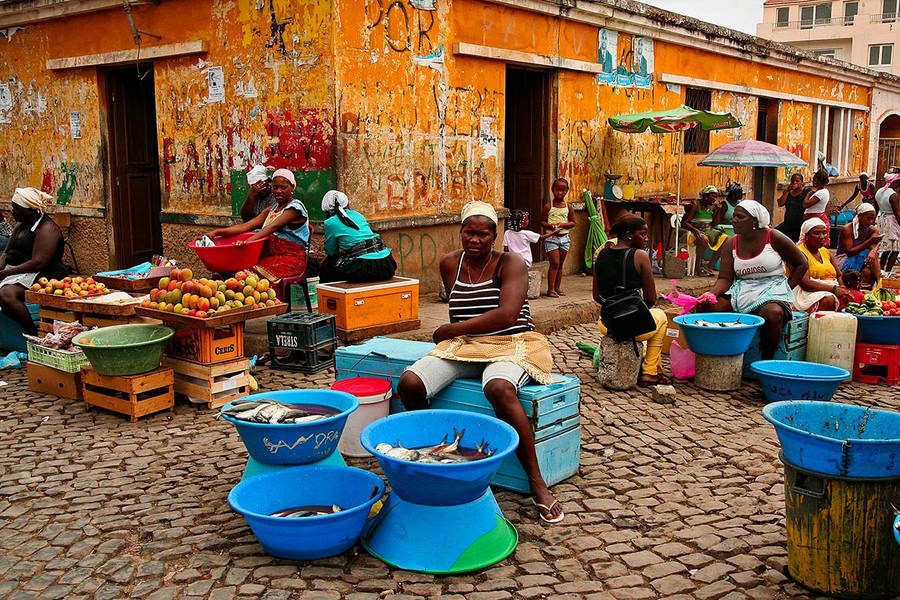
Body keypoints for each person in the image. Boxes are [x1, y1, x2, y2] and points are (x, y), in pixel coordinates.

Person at [397, 201, 563, 524]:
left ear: (494, 236)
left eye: (483, 234)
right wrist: (455, 336)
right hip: (468, 345)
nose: (475, 240)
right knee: (410, 383)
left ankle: (536, 482)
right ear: (460, 233)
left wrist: (449, 331)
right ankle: (435, 452)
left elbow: (507, 315)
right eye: (469, 233)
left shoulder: (511, 263)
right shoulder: (449, 264)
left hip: (512, 341)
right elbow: (461, 310)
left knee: (499, 388)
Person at [699, 200, 808, 360]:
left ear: (755, 221)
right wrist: (711, 293)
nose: (734, 220)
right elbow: (724, 278)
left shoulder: (773, 237)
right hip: (742, 289)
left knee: (773, 314)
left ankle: (765, 361)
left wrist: (786, 288)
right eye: (734, 216)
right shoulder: (731, 243)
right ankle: (718, 357)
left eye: (740, 217)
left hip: (773, 289)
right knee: (709, 309)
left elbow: (801, 263)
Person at [593, 215, 669, 385]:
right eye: (642, 234)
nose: (646, 239)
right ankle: (649, 371)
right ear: (629, 235)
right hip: (633, 327)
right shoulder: (640, 256)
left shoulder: (601, 254)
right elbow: (650, 299)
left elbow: (596, 296)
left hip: (606, 325)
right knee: (661, 317)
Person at [207, 168, 309, 281]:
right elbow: (245, 226)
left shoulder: (295, 208)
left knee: (249, 276)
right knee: (232, 271)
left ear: (292, 187)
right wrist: (216, 232)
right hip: (270, 256)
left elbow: (272, 227)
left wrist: (248, 241)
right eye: (275, 187)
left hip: (291, 259)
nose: (278, 191)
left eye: (283, 187)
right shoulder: (272, 209)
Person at [0, 188, 67, 335]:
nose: (13, 212)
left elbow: (38, 263)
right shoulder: (20, 225)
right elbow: (7, 253)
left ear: (31, 210)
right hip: (18, 271)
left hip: (42, 273)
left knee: (6, 294)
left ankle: (33, 332)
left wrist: (5, 273)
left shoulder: (47, 229)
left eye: (16, 209)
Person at [319, 190, 396, 283]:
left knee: (327, 266)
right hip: (386, 264)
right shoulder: (358, 215)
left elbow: (331, 251)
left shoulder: (329, 223)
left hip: (363, 268)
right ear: (346, 203)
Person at [791, 218, 850, 312]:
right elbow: (806, 284)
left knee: (856, 297)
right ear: (806, 236)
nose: (822, 237)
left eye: (824, 233)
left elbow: (838, 275)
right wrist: (834, 289)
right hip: (806, 292)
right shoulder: (799, 253)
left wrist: (843, 289)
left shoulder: (825, 252)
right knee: (828, 300)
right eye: (817, 233)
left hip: (830, 288)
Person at [541, 178, 575, 297]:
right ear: (552, 190)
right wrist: (550, 226)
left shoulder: (568, 206)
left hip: (564, 239)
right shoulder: (548, 206)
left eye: (563, 190)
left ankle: (557, 287)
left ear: (567, 191)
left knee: (560, 264)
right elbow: (542, 221)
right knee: (554, 263)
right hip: (552, 239)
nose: (559, 193)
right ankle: (550, 289)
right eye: (557, 190)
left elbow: (573, 223)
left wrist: (563, 225)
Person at [683, 185, 727, 276]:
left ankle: (709, 266)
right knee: (703, 239)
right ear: (706, 196)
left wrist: (718, 211)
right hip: (694, 231)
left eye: (716, 196)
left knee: (727, 240)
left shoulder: (712, 207)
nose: (715, 199)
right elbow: (684, 222)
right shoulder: (695, 205)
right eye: (713, 196)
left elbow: (714, 223)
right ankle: (698, 267)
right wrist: (695, 231)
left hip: (707, 230)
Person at [835, 203, 882, 285]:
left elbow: (874, 243)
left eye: (872, 219)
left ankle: (878, 283)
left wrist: (873, 251)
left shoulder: (871, 230)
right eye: (868, 218)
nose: (871, 222)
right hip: (844, 259)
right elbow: (849, 252)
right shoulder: (847, 229)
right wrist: (870, 241)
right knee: (867, 252)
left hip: (861, 259)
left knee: (867, 272)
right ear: (860, 216)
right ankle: (879, 282)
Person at [875, 173, 900, 273]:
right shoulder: (893, 195)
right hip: (892, 222)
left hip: (882, 219)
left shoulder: (879, 191)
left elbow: (876, 208)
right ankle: (888, 270)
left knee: (886, 247)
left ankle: (881, 269)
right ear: (895, 181)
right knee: (896, 248)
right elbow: (897, 214)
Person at [775, 173, 808, 242]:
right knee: (775, 234)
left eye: (797, 181)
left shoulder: (807, 192)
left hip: (800, 224)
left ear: (802, 182)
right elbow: (780, 203)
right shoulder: (788, 192)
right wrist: (787, 191)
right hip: (788, 223)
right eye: (793, 181)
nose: (795, 183)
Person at [802, 170, 831, 236]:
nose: (813, 181)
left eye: (814, 179)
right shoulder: (821, 191)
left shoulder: (821, 193)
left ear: (817, 180)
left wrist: (808, 194)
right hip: (814, 218)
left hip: (815, 219)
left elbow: (805, 204)